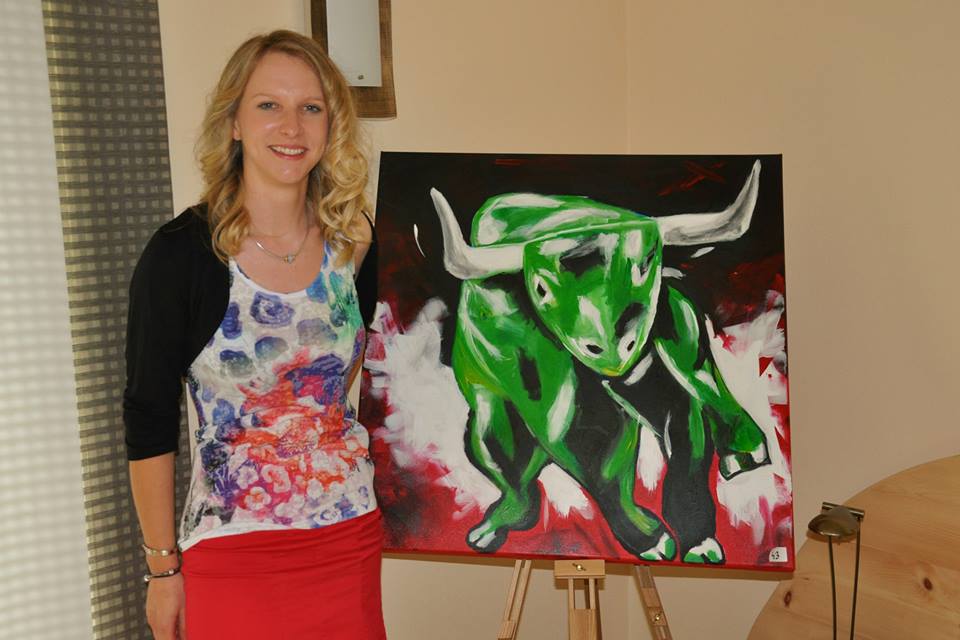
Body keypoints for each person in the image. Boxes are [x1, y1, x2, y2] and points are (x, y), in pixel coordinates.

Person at [123, 30, 383, 639]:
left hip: (347, 537)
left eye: (310, 107)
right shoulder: (181, 255)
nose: (291, 126)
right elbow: (148, 417)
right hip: (231, 549)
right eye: (269, 104)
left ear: (331, 125)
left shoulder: (355, 240)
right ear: (235, 122)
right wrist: (162, 569)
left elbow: (340, 381)